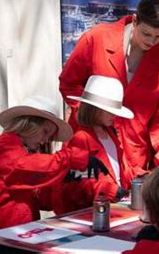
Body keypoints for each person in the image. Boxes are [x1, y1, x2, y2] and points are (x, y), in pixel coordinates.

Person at [59, 0, 159, 179]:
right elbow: (69, 83)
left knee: (125, 207)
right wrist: (90, 115)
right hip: (88, 145)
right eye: (146, 33)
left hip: (132, 157)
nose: (151, 42)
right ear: (134, 21)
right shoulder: (97, 38)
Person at [0, 95, 108, 233]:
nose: (45, 140)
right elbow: (25, 166)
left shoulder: (25, 150)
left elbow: (42, 199)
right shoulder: (3, 144)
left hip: (20, 233)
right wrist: (73, 157)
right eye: (45, 132)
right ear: (29, 124)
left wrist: (65, 181)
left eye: (50, 137)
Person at [57, 75, 134, 213]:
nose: (114, 115)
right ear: (96, 109)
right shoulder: (81, 138)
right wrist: (107, 190)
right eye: (111, 111)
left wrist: (140, 176)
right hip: (92, 211)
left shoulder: (112, 134)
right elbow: (77, 181)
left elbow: (121, 168)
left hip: (115, 207)